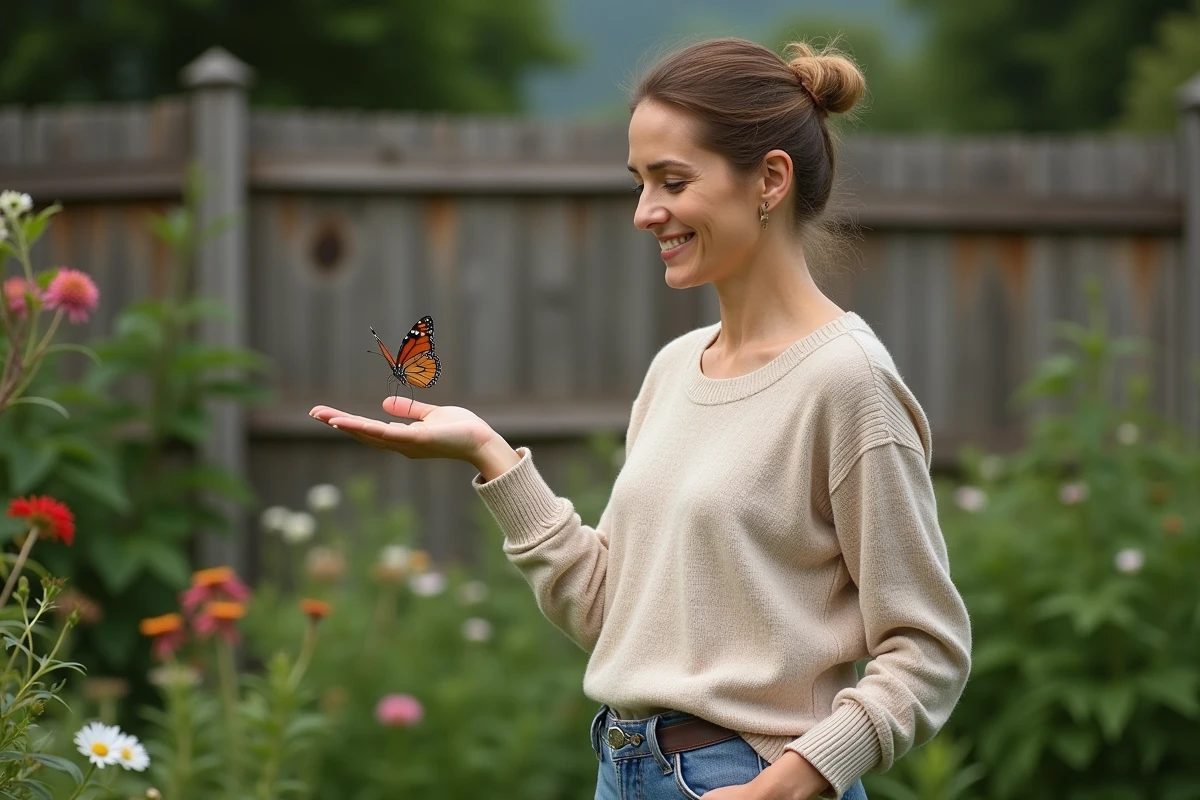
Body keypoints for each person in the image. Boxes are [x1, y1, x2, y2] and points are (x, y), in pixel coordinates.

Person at [310, 36, 971, 800]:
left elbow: (928, 649)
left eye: (672, 181)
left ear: (770, 180)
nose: (644, 212)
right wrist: (491, 457)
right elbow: (613, 616)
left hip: (750, 782)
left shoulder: (848, 383)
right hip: (621, 770)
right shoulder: (674, 370)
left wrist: (789, 784)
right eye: (639, 182)